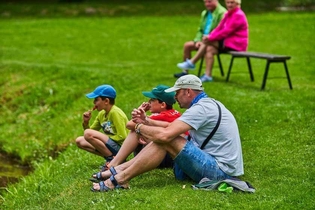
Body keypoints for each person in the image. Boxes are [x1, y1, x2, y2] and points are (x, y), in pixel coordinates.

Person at [90, 75, 244, 192]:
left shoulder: (200, 109)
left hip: (220, 171)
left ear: (188, 91)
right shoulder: (206, 105)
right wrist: (147, 121)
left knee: (166, 139)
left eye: (177, 93)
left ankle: (119, 178)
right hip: (220, 165)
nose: (175, 97)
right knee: (166, 137)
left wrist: (139, 128)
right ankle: (118, 172)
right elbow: (174, 125)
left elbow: (166, 135)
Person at [90, 85, 184, 181]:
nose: (148, 102)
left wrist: (141, 110)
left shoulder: (159, 116)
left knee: (135, 131)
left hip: (162, 155)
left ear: (162, 105)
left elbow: (130, 124)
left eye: (152, 100)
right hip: (172, 156)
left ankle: (114, 164)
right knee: (140, 130)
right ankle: (116, 164)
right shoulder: (174, 113)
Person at [177, 0, 248, 82]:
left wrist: (210, 38)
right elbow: (219, 28)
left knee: (207, 42)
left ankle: (192, 62)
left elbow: (226, 31)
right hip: (228, 42)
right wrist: (209, 36)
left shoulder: (238, 15)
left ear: (237, 4)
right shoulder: (229, 14)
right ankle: (208, 75)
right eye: (228, 3)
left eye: (232, 3)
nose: (229, 5)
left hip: (236, 44)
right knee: (209, 49)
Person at [75, 84, 129, 168]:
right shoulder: (101, 114)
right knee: (79, 141)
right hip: (111, 145)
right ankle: (111, 157)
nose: (94, 103)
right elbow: (88, 134)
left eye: (96, 100)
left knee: (88, 134)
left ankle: (112, 159)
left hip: (122, 148)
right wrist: (86, 123)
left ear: (106, 101)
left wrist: (104, 139)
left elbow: (123, 136)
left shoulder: (115, 113)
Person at [174, 0, 227, 79]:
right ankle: (185, 72)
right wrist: (198, 40)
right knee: (187, 45)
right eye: (205, 2)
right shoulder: (205, 13)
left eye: (209, 2)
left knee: (208, 48)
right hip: (203, 39)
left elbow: (219, 30)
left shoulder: (222, 13)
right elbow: (200, 30)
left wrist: (206, 39)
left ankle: (206, 74)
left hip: (214, 41)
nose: (207, 4)